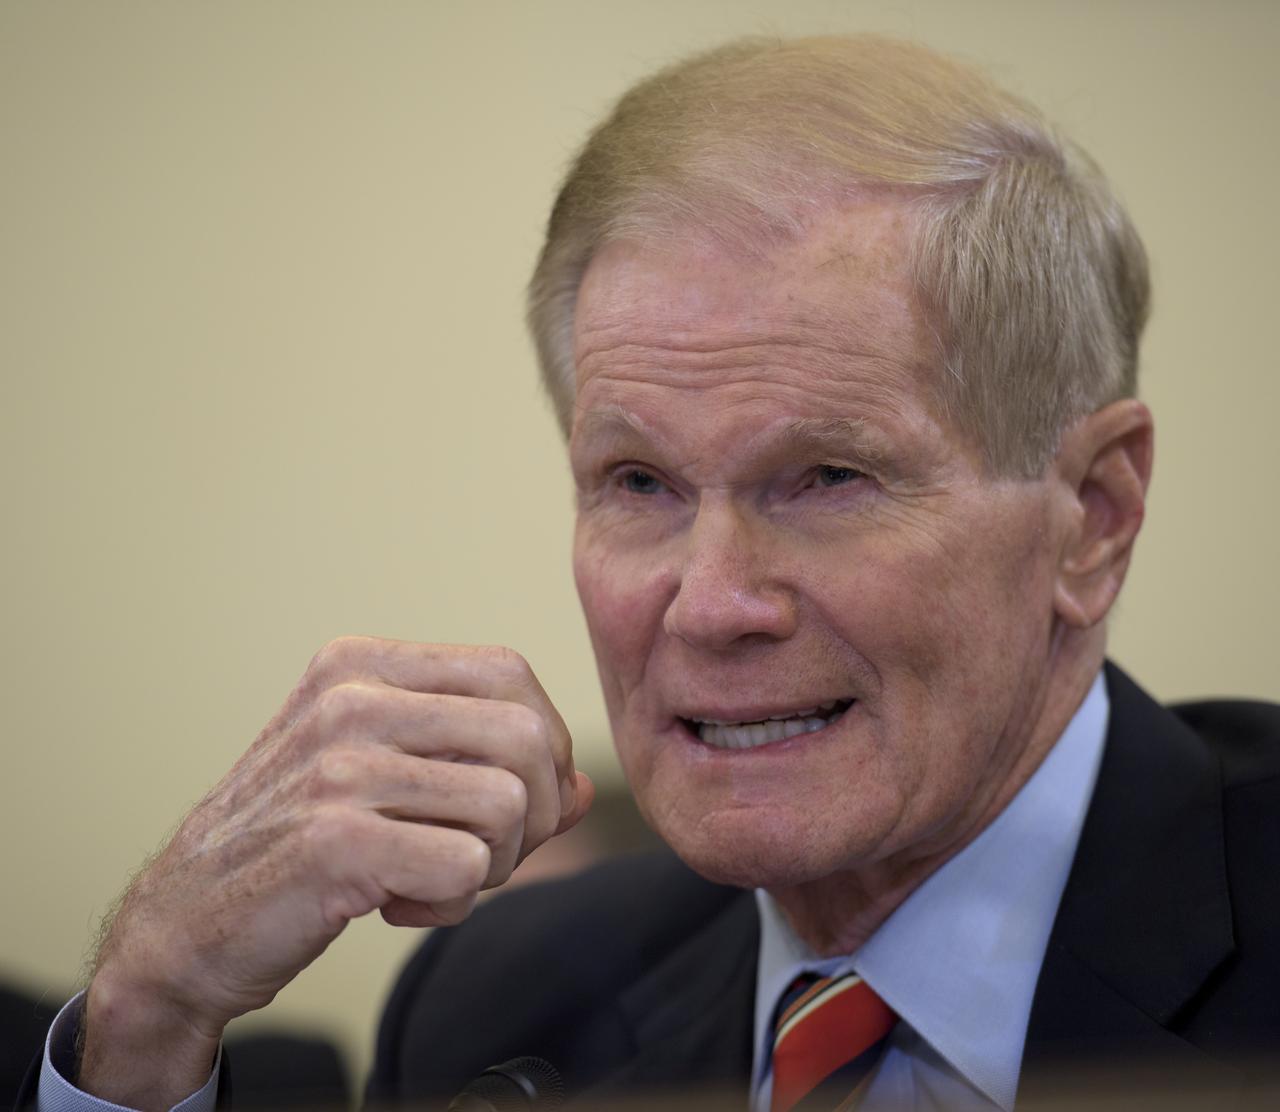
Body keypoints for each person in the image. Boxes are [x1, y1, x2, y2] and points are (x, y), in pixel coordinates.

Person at [24, 34, 1279, 1112]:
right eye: (638, 484)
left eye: (829, 478)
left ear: (1092, 516)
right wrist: (150, 1009)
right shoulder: (496, 998)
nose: (712, 603)